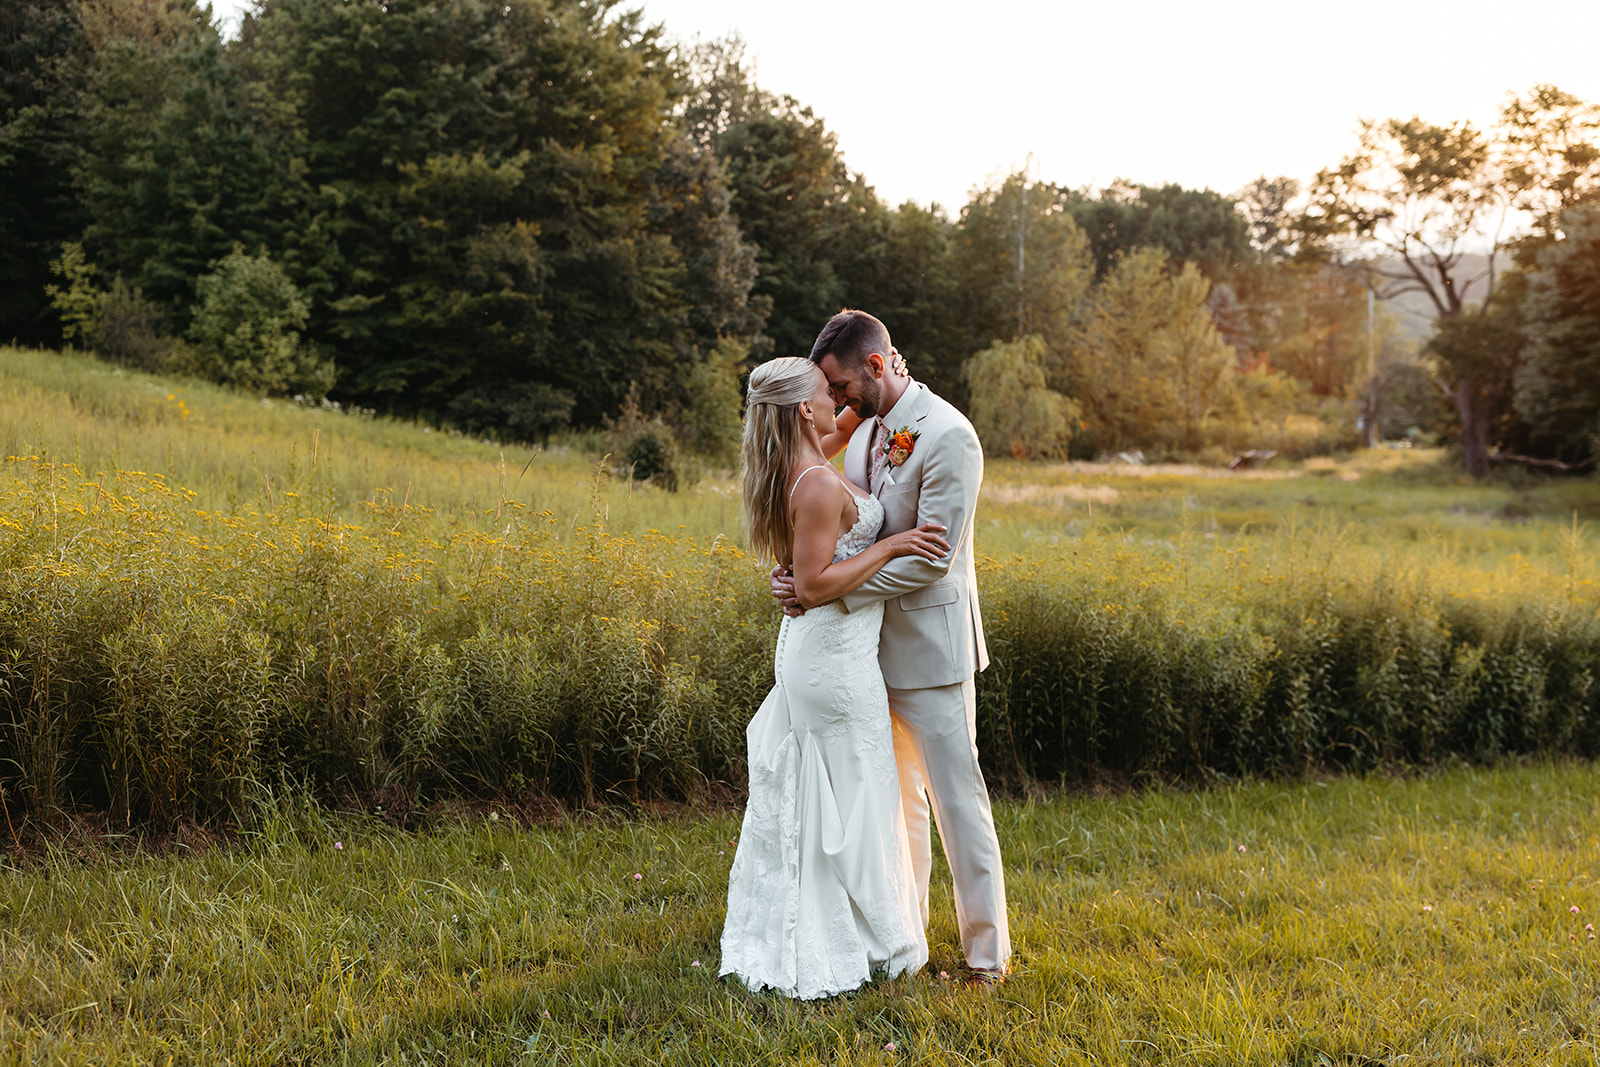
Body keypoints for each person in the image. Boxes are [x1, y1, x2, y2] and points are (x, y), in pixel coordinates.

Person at [772, 309, 1012, 986]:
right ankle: (905, 939)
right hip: (868, 658)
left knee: (956, 805)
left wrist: (827, 593)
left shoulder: (949, 437)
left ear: (877, 365)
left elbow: (932, 559)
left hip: (933, 656)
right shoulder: (865, 435)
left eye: (843, 383)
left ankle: (986, 958)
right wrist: (795, 573)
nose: (838, 399)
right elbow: (838, 525)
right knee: (897, 806)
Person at [719, 356, 952, 1000]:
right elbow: (816, 585)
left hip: (827, 652)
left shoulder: (811, 454)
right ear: (802, 409)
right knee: (849, 789)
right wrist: (891, 546)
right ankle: (859, 938)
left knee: (841, 787)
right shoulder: (817, 484)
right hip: (831, 658)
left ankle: (847, 923)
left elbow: (859, 415)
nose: (838, 399)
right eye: (827, 392)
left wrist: (891, 375)